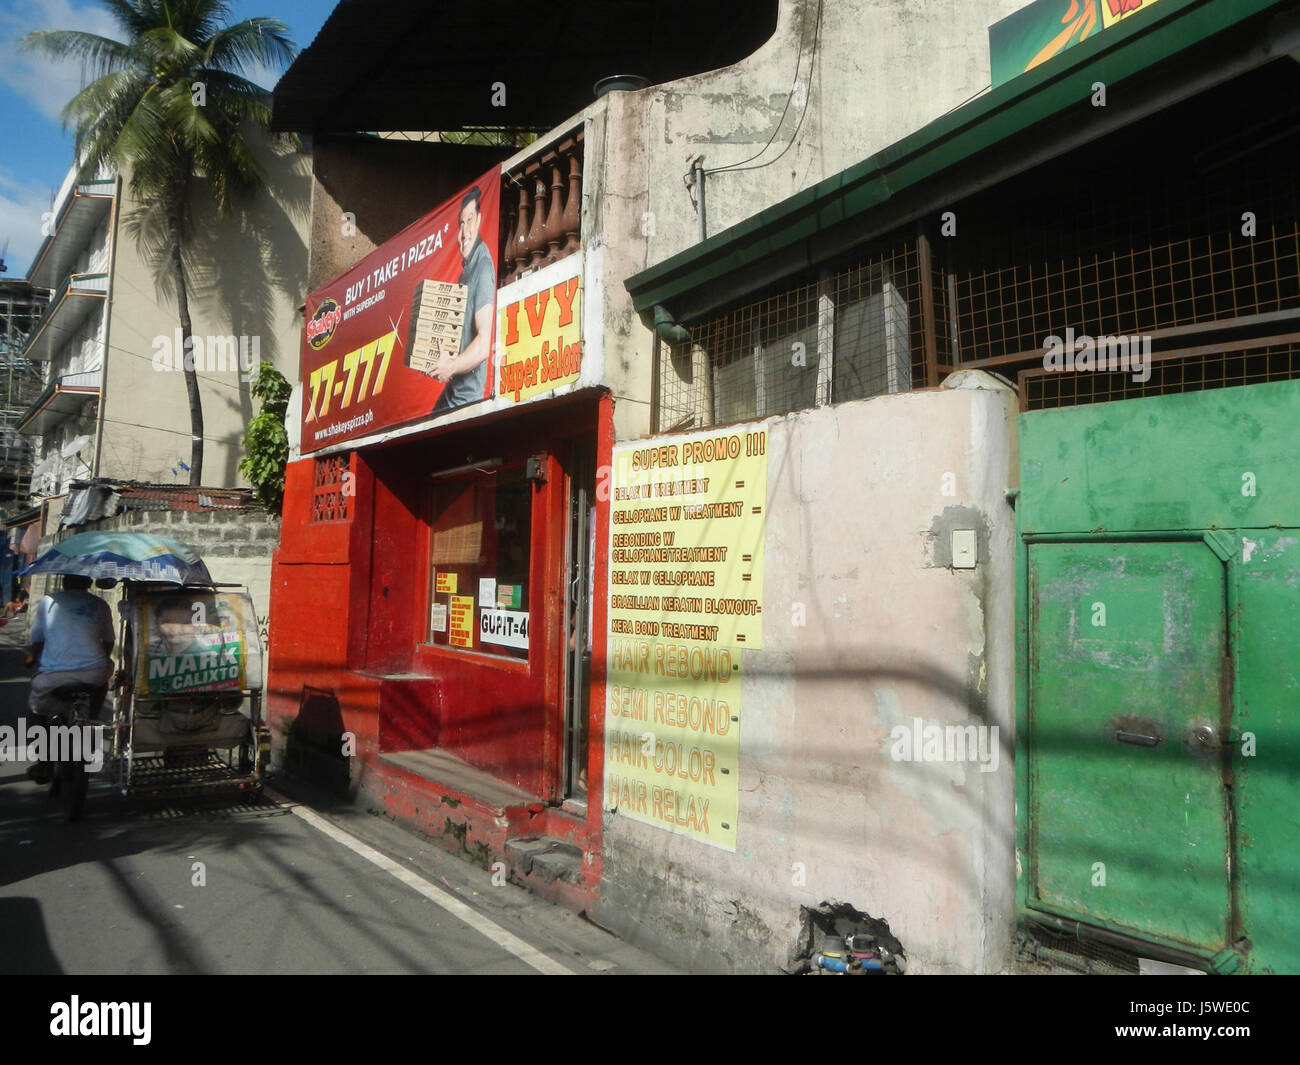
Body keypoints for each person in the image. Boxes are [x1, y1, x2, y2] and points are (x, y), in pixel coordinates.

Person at [24, 574, 115, 783]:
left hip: (55, 676)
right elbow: (108, 642)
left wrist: (31, 659)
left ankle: (44, 763)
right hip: (94, 673)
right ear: (89, 583)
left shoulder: (48, 602)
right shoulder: (100, 605)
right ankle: (91, 716)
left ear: (64, 583)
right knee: (103, 682)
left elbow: (37, 641)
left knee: (36, 711)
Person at [428, 185, 496, 415]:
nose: (464, 230)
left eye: (469, 220)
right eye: (461, 223)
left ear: (480, 220)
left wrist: (451, 366)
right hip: (454, 391)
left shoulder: (483, 267)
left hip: (466, 401)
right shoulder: (468, 268)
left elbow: (484, 343)